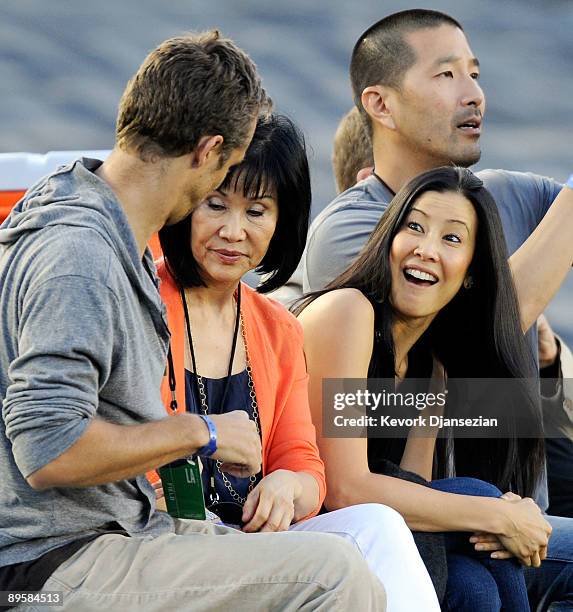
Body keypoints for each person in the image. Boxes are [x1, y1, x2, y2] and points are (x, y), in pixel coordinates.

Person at [0, 32, 387, 611]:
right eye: (226, 171)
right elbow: (48, 448)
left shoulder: (87, 223)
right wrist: (201, 432)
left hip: (114, 535)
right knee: (332, 575)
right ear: (208, 151)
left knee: (363, 547)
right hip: (53, 562)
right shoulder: (80, 257)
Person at [288, 9, 573, 610]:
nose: (473, 94)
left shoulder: (502, 195)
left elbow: (420, 456)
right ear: (381, 105)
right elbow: (481, 329)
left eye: (475, 73)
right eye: (446, 75)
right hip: (341, 505)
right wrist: (497, 510)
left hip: (511, 463)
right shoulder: (355, 247)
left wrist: (553, 362)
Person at [156, 112, 439, 612]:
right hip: (162, 539)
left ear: (282, 221)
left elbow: (303, 460)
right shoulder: (143, 301)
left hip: (252, 536)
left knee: (378, 525)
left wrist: (290, 485)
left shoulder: (277, 326)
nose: (233, 231)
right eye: (215, 204)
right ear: (184, 202)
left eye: (257, 211)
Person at [331, 103, 573, 520]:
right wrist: (498, 517)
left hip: (382, 526)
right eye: (415, 226)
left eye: (453, 238)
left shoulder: (431, 357)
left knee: (478, 552)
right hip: (326, 527)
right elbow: (345, 488)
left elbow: (415, 490)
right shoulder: (350, 306)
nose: (427, 250)